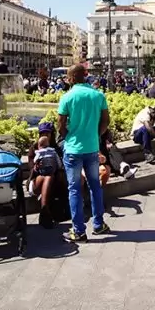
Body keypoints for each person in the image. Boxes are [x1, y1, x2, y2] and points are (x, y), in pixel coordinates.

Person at [57, 64, 111, 243]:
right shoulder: (98, 95)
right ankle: (99, 224)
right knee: (95, 186)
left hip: (73, 150)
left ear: (72, 78)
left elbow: (61, 125)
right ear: (85, 75)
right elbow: (105, 121)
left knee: (74, 189)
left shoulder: (67, 97)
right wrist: (96, 135)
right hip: (92, 147)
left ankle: (79, 231)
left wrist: (69, 138)